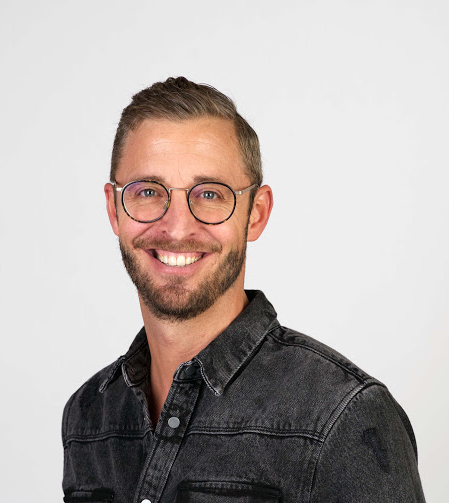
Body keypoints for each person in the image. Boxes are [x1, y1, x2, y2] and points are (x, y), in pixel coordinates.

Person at [61, 77, 426, 503]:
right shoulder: (88, 417)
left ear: (256, 213)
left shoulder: (340, 416)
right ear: (114, 209)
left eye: (210, 194)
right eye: (147, 192)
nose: (176, 227)